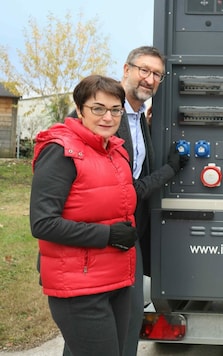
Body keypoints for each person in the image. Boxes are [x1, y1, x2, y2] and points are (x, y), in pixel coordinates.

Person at [61, 46, 188, 356]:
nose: (149, 78)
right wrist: (170, 170)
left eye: (157, 74)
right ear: (126, 69)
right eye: (143, 69)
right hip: (93, 239)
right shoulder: (98, 120)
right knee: (90, 334)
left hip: (127, 238)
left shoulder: (139, 120)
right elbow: (125, 189)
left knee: (129, 324)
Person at [30, 75, 137, 355]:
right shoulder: (61, 151)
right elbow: (43, 223)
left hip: (116, 280)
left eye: (115, 109)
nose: (108, 117)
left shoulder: (115, 152)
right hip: (80, 288)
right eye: (98, 108)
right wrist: (108, 235)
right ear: (79, 110)